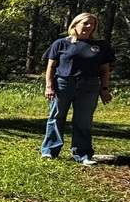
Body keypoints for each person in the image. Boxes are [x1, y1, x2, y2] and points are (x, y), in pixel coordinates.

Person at [40, 12, 115, 165]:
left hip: (89, 86)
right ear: (75, 24)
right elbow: (51, 67)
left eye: (92, 24)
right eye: (86, 23)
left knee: (83, 120)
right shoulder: (61, 43)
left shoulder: (101, 46)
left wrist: (104, 89)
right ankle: (50, 150)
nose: (89, 27)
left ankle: (83, 154)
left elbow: (105, 70)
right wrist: (49, 86)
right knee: (56, 117)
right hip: (63, 83)